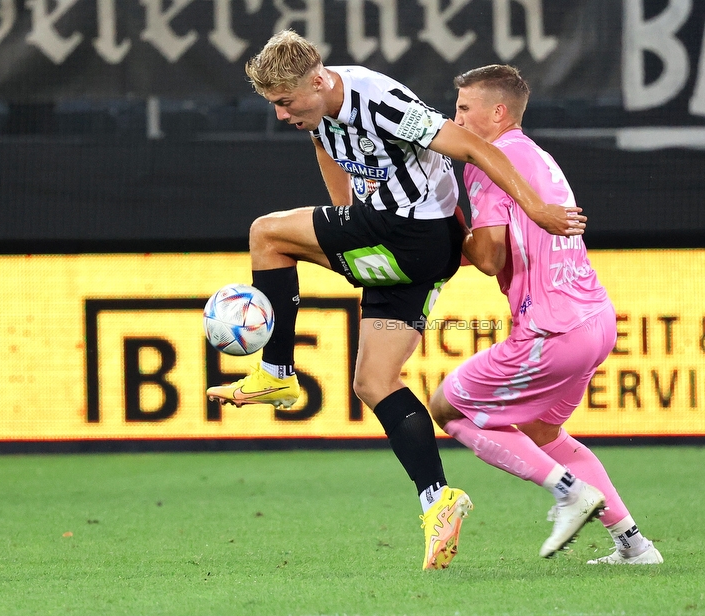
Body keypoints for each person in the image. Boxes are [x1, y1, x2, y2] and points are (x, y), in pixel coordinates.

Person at [206, 31, 587, 571]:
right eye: (274, 104)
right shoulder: (319, 112)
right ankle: (439, 501)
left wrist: (539, 209)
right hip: (397, 241)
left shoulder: (379, 101)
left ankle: (277, 371)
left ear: (317, 81)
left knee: (265, 235)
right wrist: (344, 228)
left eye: (286, 102)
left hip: (415, 233)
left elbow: (474, 147)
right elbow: (325, 147)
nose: (281, 114)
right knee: (374, 381)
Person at [428, 64, 663, 565]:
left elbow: (489, 256)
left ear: (498, 112)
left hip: (551, 329)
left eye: (464, 109)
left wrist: (447, 233)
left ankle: (567, 490)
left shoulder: (489, 161)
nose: (456, 120)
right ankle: (634, 545)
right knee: (542, 433)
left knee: (446, 407)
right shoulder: (535, 156)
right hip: (596, 320)